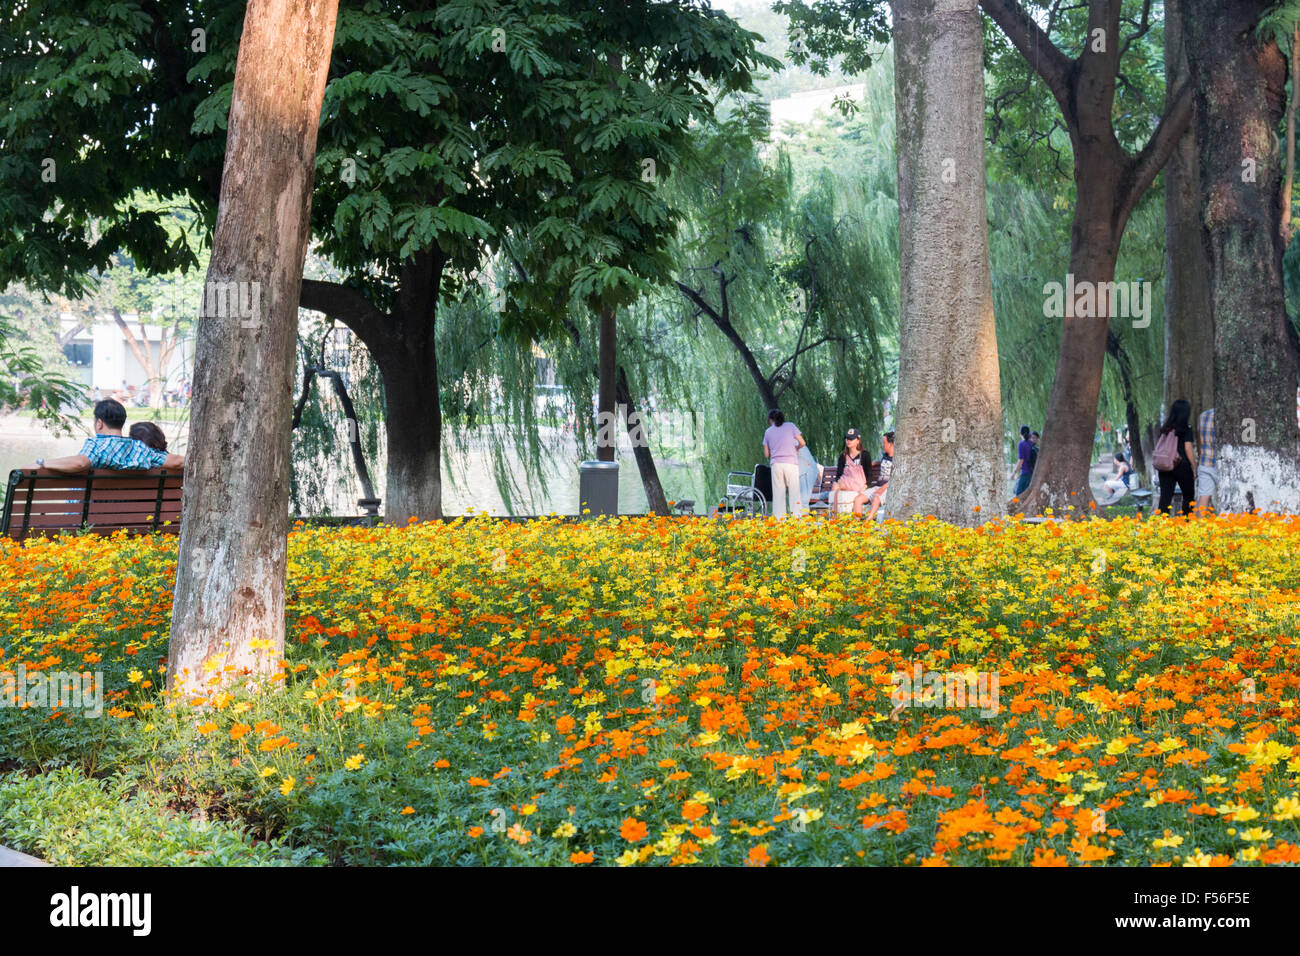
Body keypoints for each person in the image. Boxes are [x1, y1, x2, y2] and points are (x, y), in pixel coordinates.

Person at [31, 400, 184, 474]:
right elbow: (178, 461)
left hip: (85, 517)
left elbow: (80, 463)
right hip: (127, 517)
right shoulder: (140, 448)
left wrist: (43, 463)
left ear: (99, 423)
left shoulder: (96, 445)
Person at [762, 408, 807, 518]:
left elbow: (767, 454)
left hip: (776, 465)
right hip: (791, 464)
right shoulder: (791, 426)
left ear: (771, 420)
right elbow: (802, 443)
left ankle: (779, 520)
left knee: (778, 494)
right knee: (794, 492)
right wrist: (796, 448)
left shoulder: (768, 432)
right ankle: (796, 518)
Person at [1155, 398, 1196, 516]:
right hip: (1181, 465)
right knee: (1188, 496)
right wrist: (1194, 466)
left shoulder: (1165, 428)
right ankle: (1187, 523)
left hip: (1165, 465)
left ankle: (1163, 525)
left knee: (1165, 498)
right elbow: (1188, 448)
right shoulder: (1186, 428)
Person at [830, 428, 871, 516]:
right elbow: (839, 474)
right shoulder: (843, 456)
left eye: (851, 439)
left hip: (859, 485)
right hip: (845, 483)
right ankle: (834, 518)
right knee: (834, 489)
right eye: (847, 438)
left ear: (858, 440)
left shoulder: (865, 455)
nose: (848, 441)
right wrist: (836, 483)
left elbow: (869, 474)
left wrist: (866, 486)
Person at [865, 431, 894, 521]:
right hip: (877, 486)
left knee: (876, 497)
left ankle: (868, 521)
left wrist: (882, 489)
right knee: (858, 498)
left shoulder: (897, 459)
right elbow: (882, 461)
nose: (882, 445)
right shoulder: (885, 455)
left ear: (890, 444)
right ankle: (855, 523)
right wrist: (873, 463)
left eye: (884, 443)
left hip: (887, 488)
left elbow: (895, 479)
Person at [1195, 406, 1216, 514]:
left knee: (1203, 495)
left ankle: (1198, 525)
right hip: (1219, 463)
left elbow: (1199, 440)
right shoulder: (1224, 415)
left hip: (1205, 461)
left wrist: (1200, 458)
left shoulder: (1203, 415)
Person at [796, 443, 820, 513]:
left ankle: (804, 520)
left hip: (806, 470)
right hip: (803, 470)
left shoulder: (793, 441)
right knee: (801, 500)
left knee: (803, 500)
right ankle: (801, 519)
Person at [1014, 425, 1034, 497]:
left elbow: (1021, 460)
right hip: (1032, 472)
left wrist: (1014, 472)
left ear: (1020, 434)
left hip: (1025, 472)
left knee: (1018, 494)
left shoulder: (1021, 444)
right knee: (1026, 493)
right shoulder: (1031, 443)